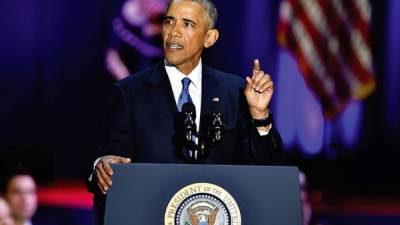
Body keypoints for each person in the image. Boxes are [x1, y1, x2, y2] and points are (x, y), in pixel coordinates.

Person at [88, 0, 283, 223]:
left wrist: (260, 116)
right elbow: (106, 169)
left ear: (210, 38)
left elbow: (268, 171)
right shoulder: (129, 93)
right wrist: (101, 167)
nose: (174, 32)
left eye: (188, 24)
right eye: (169, 21)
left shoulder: (236, 92)